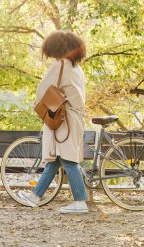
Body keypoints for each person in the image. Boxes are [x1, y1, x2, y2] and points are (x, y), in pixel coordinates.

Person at [17, 31, 88, 214]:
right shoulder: (76, 68)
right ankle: (35, 196)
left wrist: (39, 107)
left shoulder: (60, 64)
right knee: (57, 158)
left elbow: (43, 89)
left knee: (68, 158)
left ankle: (80, 201)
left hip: (64, 118)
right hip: (75, 116)